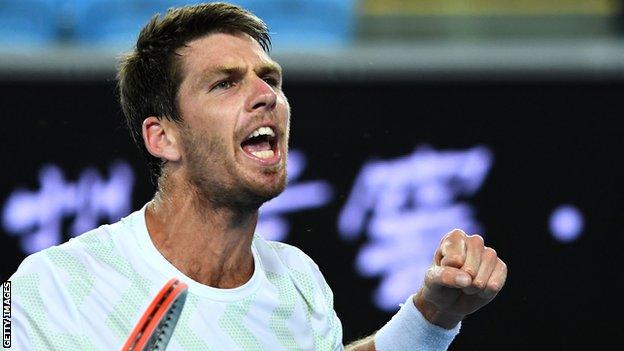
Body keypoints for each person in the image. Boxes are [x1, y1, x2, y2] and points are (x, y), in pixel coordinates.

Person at [7, 2, 507, 350]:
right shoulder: (46, 287)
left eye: (269, 78)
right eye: (224, 83)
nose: (265, 94)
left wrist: (433, 315)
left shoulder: (299, 283)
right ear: (163, 138)